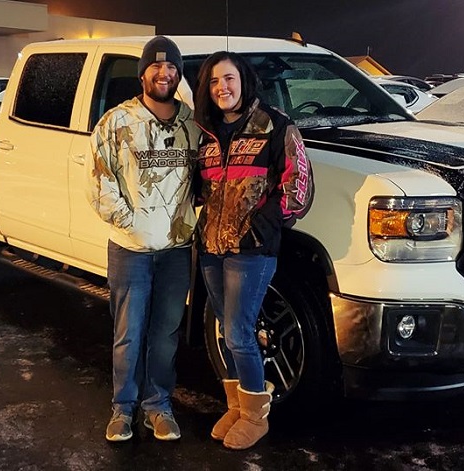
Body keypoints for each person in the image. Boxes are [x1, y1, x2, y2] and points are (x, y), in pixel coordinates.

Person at [194, 51, 314, 450]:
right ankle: (236, 404)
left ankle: (255, 416)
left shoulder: (274, 125)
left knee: (241, 333)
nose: (221, 88)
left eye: (228, 78)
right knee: (226, 330)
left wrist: (268, 221)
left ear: (243, 80)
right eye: (213, 82)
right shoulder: (206, 132)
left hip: (252, 248)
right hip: (211, 245)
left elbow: (299, 183)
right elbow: (197, 186)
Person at [86, 36, 201, 442]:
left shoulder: (192, 123)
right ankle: (122, 408)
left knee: (166, 332)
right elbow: (101, 182)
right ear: (143, 72)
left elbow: (203, 181)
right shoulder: (117, 122)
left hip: (176, 251)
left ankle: (158, 406)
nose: (164, 73)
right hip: (130, 250)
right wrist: (132, 223)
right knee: (129, 332)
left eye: (171, 67)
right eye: (156, 66)